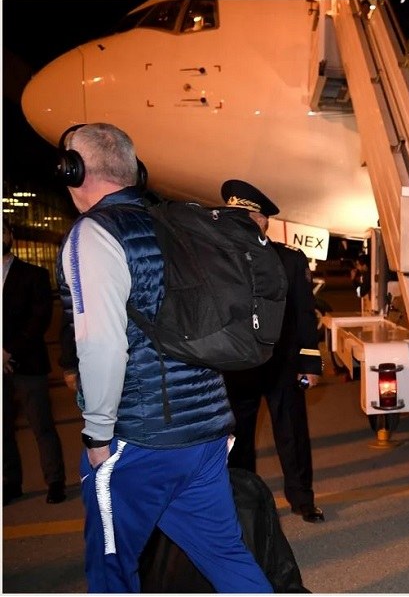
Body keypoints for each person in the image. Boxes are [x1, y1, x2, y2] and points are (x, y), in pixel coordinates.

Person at [56, 123, 271, 592]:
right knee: (226, 556)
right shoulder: (175, 223)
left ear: (73, 170)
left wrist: (98, 432)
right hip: (206, 432)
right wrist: (219, 418)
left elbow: (101, 343)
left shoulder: (94, 234)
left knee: (111, 572)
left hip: (139, 437)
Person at [220, 179, 325, 524]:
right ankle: (244, 503)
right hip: (238, 364)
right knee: (238, 440)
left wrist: (309, 362)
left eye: (246, 218)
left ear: (263, 221)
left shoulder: (290, 260)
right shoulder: (220, 260)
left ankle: (302, 499)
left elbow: (304, 313)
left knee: (292, 433)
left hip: (282, 363)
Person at [3, 221, 66, 506]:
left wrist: (8, 352)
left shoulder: (34, 274)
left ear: (10, 236)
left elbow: (39, 319)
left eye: (2, 231)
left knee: (42, 426)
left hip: (28, 363)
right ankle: (10, 483)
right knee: (3, 429)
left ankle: (55, 481)